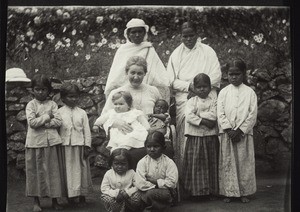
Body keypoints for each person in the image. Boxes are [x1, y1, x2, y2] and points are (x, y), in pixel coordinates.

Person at [166, 21, 221, 175]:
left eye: (191, 35)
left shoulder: (208, 51)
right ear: (181, 37)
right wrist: (190, 87)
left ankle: (211, 178)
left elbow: (216, 76)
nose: (188, 39)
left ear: (197, 35)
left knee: (209, 132)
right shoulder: (176, 55)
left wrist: (200, 90)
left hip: (207, 93)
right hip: (185, 96)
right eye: (185, 36)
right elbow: (170, 80)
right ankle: (187, 176)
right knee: (187, 136)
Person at [101, 56, 163, 169]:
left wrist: (163, 120)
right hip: (123, 138)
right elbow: (104, 118)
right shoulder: (117, 93)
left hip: (148, 138)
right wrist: (115, 123)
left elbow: (161, 111)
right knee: (123, 155)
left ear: (145, 73)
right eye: (132, 73)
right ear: (126, 72)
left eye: (140, 73)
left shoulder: (153, 91)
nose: (136, 77)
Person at [217, 58, 257, 203]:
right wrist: (228, 129)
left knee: (243, 163)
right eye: (230, 74)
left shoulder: (250, 93)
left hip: (243, 135)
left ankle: (244, 192)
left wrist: (240, 131)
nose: (233, 77)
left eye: (237, 74)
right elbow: (220, 112)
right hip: (227, 134)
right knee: (228, 163)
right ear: (226, 74)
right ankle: (228, 192)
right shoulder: (223, 92)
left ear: (244, 74)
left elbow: (252, 114)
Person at [25, 74, 64, 211]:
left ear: (49, 91)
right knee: (35, 172)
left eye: (43, 89)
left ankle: (54, 201)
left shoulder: (53, 104)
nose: (40, 92)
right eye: (37, 89)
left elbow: (58, 121)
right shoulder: (30, 105)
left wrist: (43, 122)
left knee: (53, 172)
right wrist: (48, 117)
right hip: (35, 143)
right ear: (32, 90)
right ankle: (36, 202)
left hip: (51, 143)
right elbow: (32, 123)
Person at [104, 18, 170, 100]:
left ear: (144, 33)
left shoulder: (149, 49)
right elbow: (116, 77)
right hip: (125, 95)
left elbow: (159, 76)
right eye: (133, 32)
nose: (137, 35)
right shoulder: (122, 50)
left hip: (146, 93)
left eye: (140, 31)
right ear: (128, 34)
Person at [183, 73, 219, 200]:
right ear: (194, 88)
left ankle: (211, 190)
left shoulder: (214, 101)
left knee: (211, 163)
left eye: (205, 86)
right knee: (197, 164)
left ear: (210, 87)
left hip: (210, 137)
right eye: (198, 87)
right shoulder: (191, 101)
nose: (202, 89)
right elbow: (189, 116)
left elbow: (214, 116)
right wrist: (204, 120)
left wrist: (199, 114)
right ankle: (197, 191)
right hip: (195, 137)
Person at [58, 83, 93, 205]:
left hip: (80, 146)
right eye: (71, 96)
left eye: (76, 97)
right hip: (65, 146)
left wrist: (87, 145)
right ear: (63, 98)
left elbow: (86, 130)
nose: (74, 99)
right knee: (69, 171)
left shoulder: (82, 113)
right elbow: (57, 129)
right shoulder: (59, 112)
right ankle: (70, 195)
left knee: (81, 170)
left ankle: (82, 194)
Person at [135, 131, 178, 211]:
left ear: (163, 148)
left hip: (165, 192)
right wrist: (156, 185)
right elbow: (140, 183)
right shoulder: (142, 162)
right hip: (146, 191)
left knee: (156, 194)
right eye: (148, 146)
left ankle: (151, 209)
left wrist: (156, 181)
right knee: (141, 195)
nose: (152, 149)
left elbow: (172, 183)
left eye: (156, 146)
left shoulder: (169, 162)